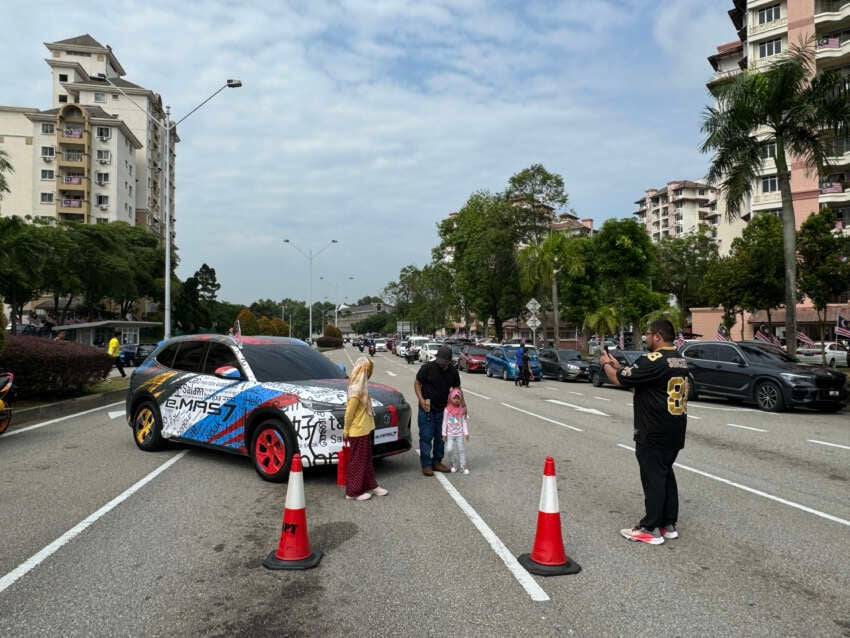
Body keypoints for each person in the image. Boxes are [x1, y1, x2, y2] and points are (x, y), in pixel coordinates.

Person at [599, 319, 688, 545]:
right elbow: (635, 375)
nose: (646, 337)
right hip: (675, 427)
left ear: (657, 336)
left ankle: (650, 527)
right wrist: (618, 364)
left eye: (648, 334)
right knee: (665, 473)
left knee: (652, 477)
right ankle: (668, 523)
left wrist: (606, 365)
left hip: (653, 428)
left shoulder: (652, 359)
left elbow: (617, 379)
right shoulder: (678, 359)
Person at [343, 356, 388, 501]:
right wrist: (346, 429)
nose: (369, 374)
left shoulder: (361, 387)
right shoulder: (356, 390)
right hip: (358, 430)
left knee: (367, 460)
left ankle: (372, 485)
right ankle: (353, 492)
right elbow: (349, 412)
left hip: (364, 429)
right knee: (358, 461)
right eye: (368, 371)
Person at [414, 344, 460, 476]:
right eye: (441, 362)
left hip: (443, 410)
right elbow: (417, 383)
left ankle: (437, 462)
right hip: (426, 409)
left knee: (441, 438)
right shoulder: (427, 368)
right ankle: (426, 465)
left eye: (445, 363)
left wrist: (460, 405)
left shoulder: (453, 371)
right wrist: (421, 399)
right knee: (426, 437)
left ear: (449, 361)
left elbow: (457, 389)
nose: (442, 365)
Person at [442, 387, 470, 474]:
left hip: (459, 434)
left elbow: (463, 422)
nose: (457, 400)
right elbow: (445, 422)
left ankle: (463, 465)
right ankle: (453, 463)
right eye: (454, 398)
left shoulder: (462, 410)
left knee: (461, 449)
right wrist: (444, 434)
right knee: (449, 449)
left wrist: (466, 433)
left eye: (458, 398)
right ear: (450, 398)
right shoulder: (447, 410)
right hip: (450, 434)